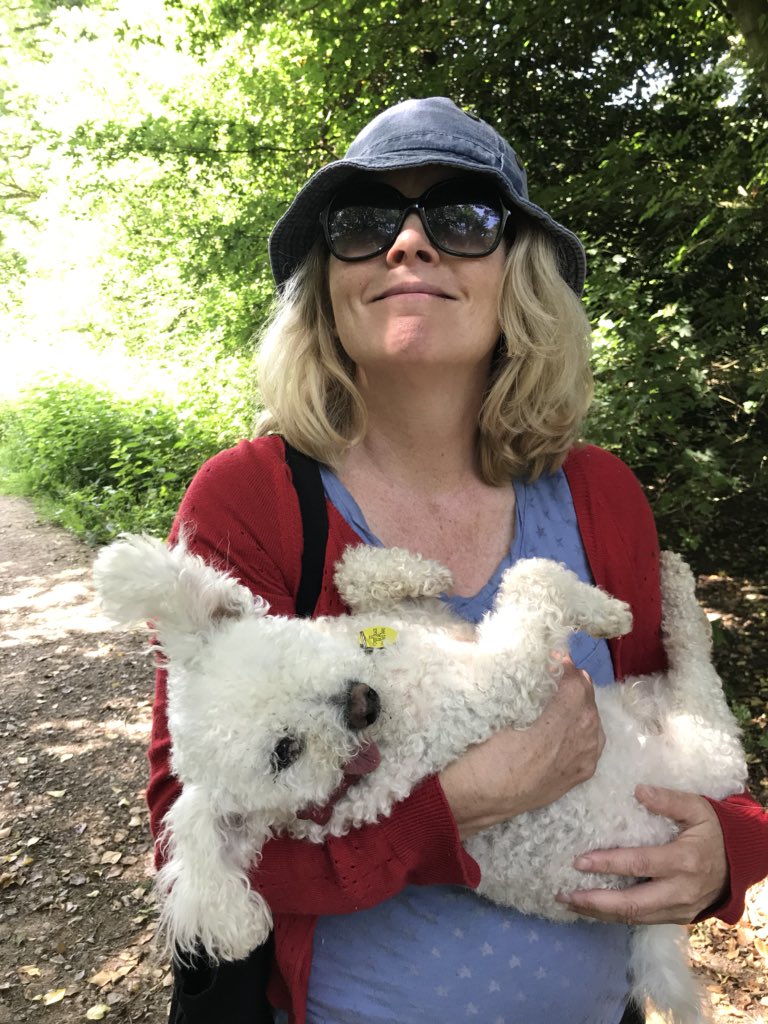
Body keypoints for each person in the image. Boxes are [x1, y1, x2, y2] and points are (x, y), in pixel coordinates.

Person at [147, 97, 768, 1024]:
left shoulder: (600, 494)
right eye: (363, 223)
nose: (407, 243)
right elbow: (194, 829)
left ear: (519, 276)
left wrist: (732, 847)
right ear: (327, 284)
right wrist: (460, 807)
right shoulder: (253, 501)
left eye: (461, 217)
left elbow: (670, 718)